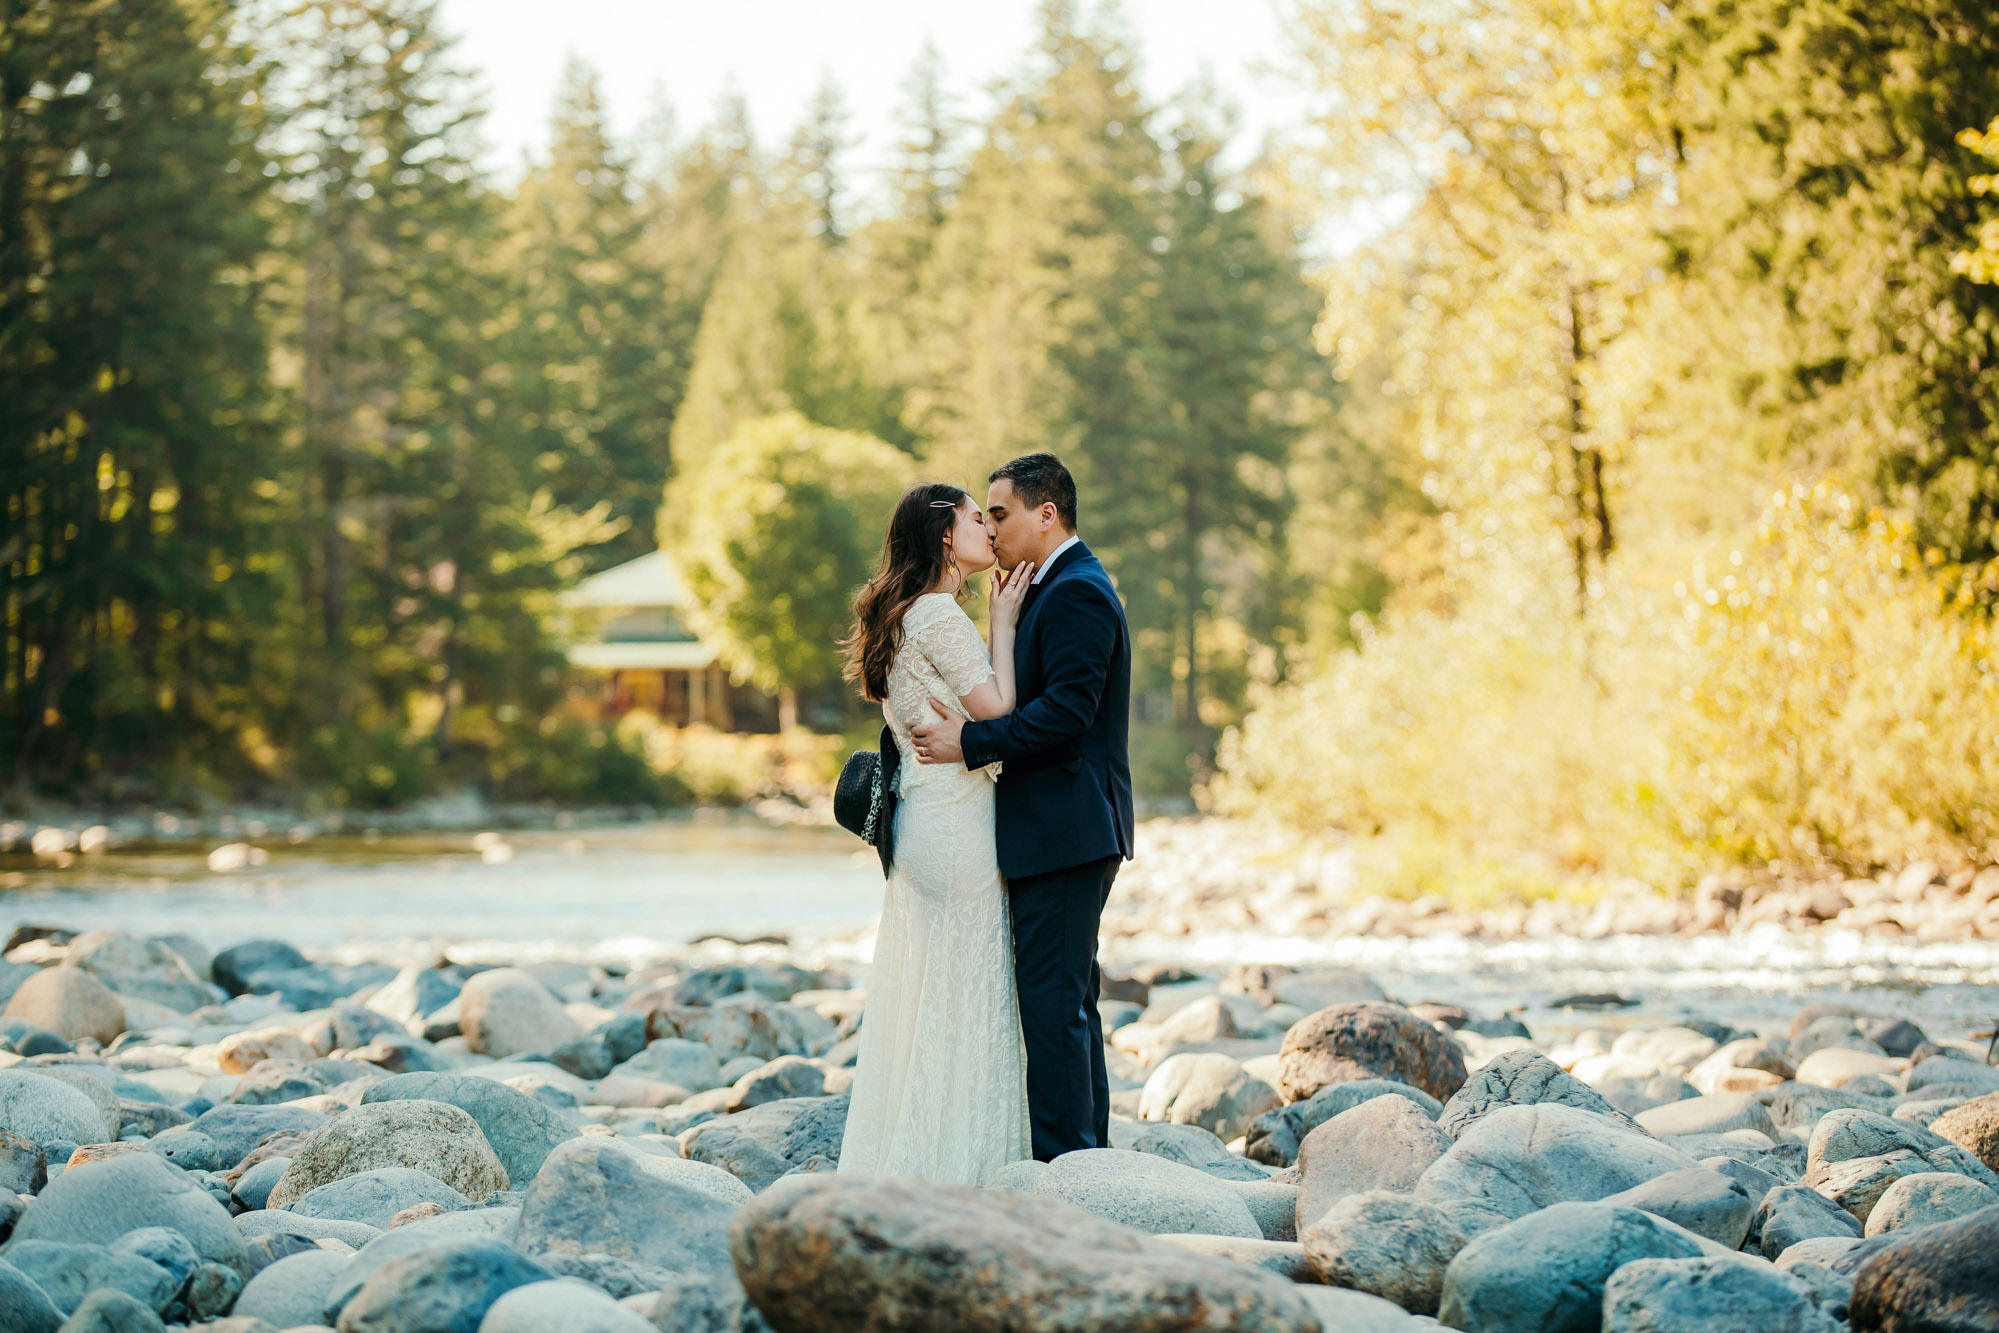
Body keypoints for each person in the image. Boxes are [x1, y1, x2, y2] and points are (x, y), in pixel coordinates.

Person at [911, 452, 1135, 1161]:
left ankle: (1063, 1162)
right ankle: (1084, 1156)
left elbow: (1068, 712)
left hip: (1066, 829)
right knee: (1064, 1001)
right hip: (1056, 828)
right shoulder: (1045, 585)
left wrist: (969, 741)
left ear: (1047, 513)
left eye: (1000, 513)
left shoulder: (1076, 592)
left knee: (1051, 1004)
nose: (993, 528)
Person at [835, 481, 1036, 1184]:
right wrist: (1002, 622)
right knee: (966, 993)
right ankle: (961, 1169)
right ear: (945, 536)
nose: (988, 527)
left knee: (926, 994)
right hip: (955, 820)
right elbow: (999, 710)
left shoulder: (903, 615)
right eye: (976, 518)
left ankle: (912, 1152)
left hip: (922, 823)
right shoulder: (939, 616)